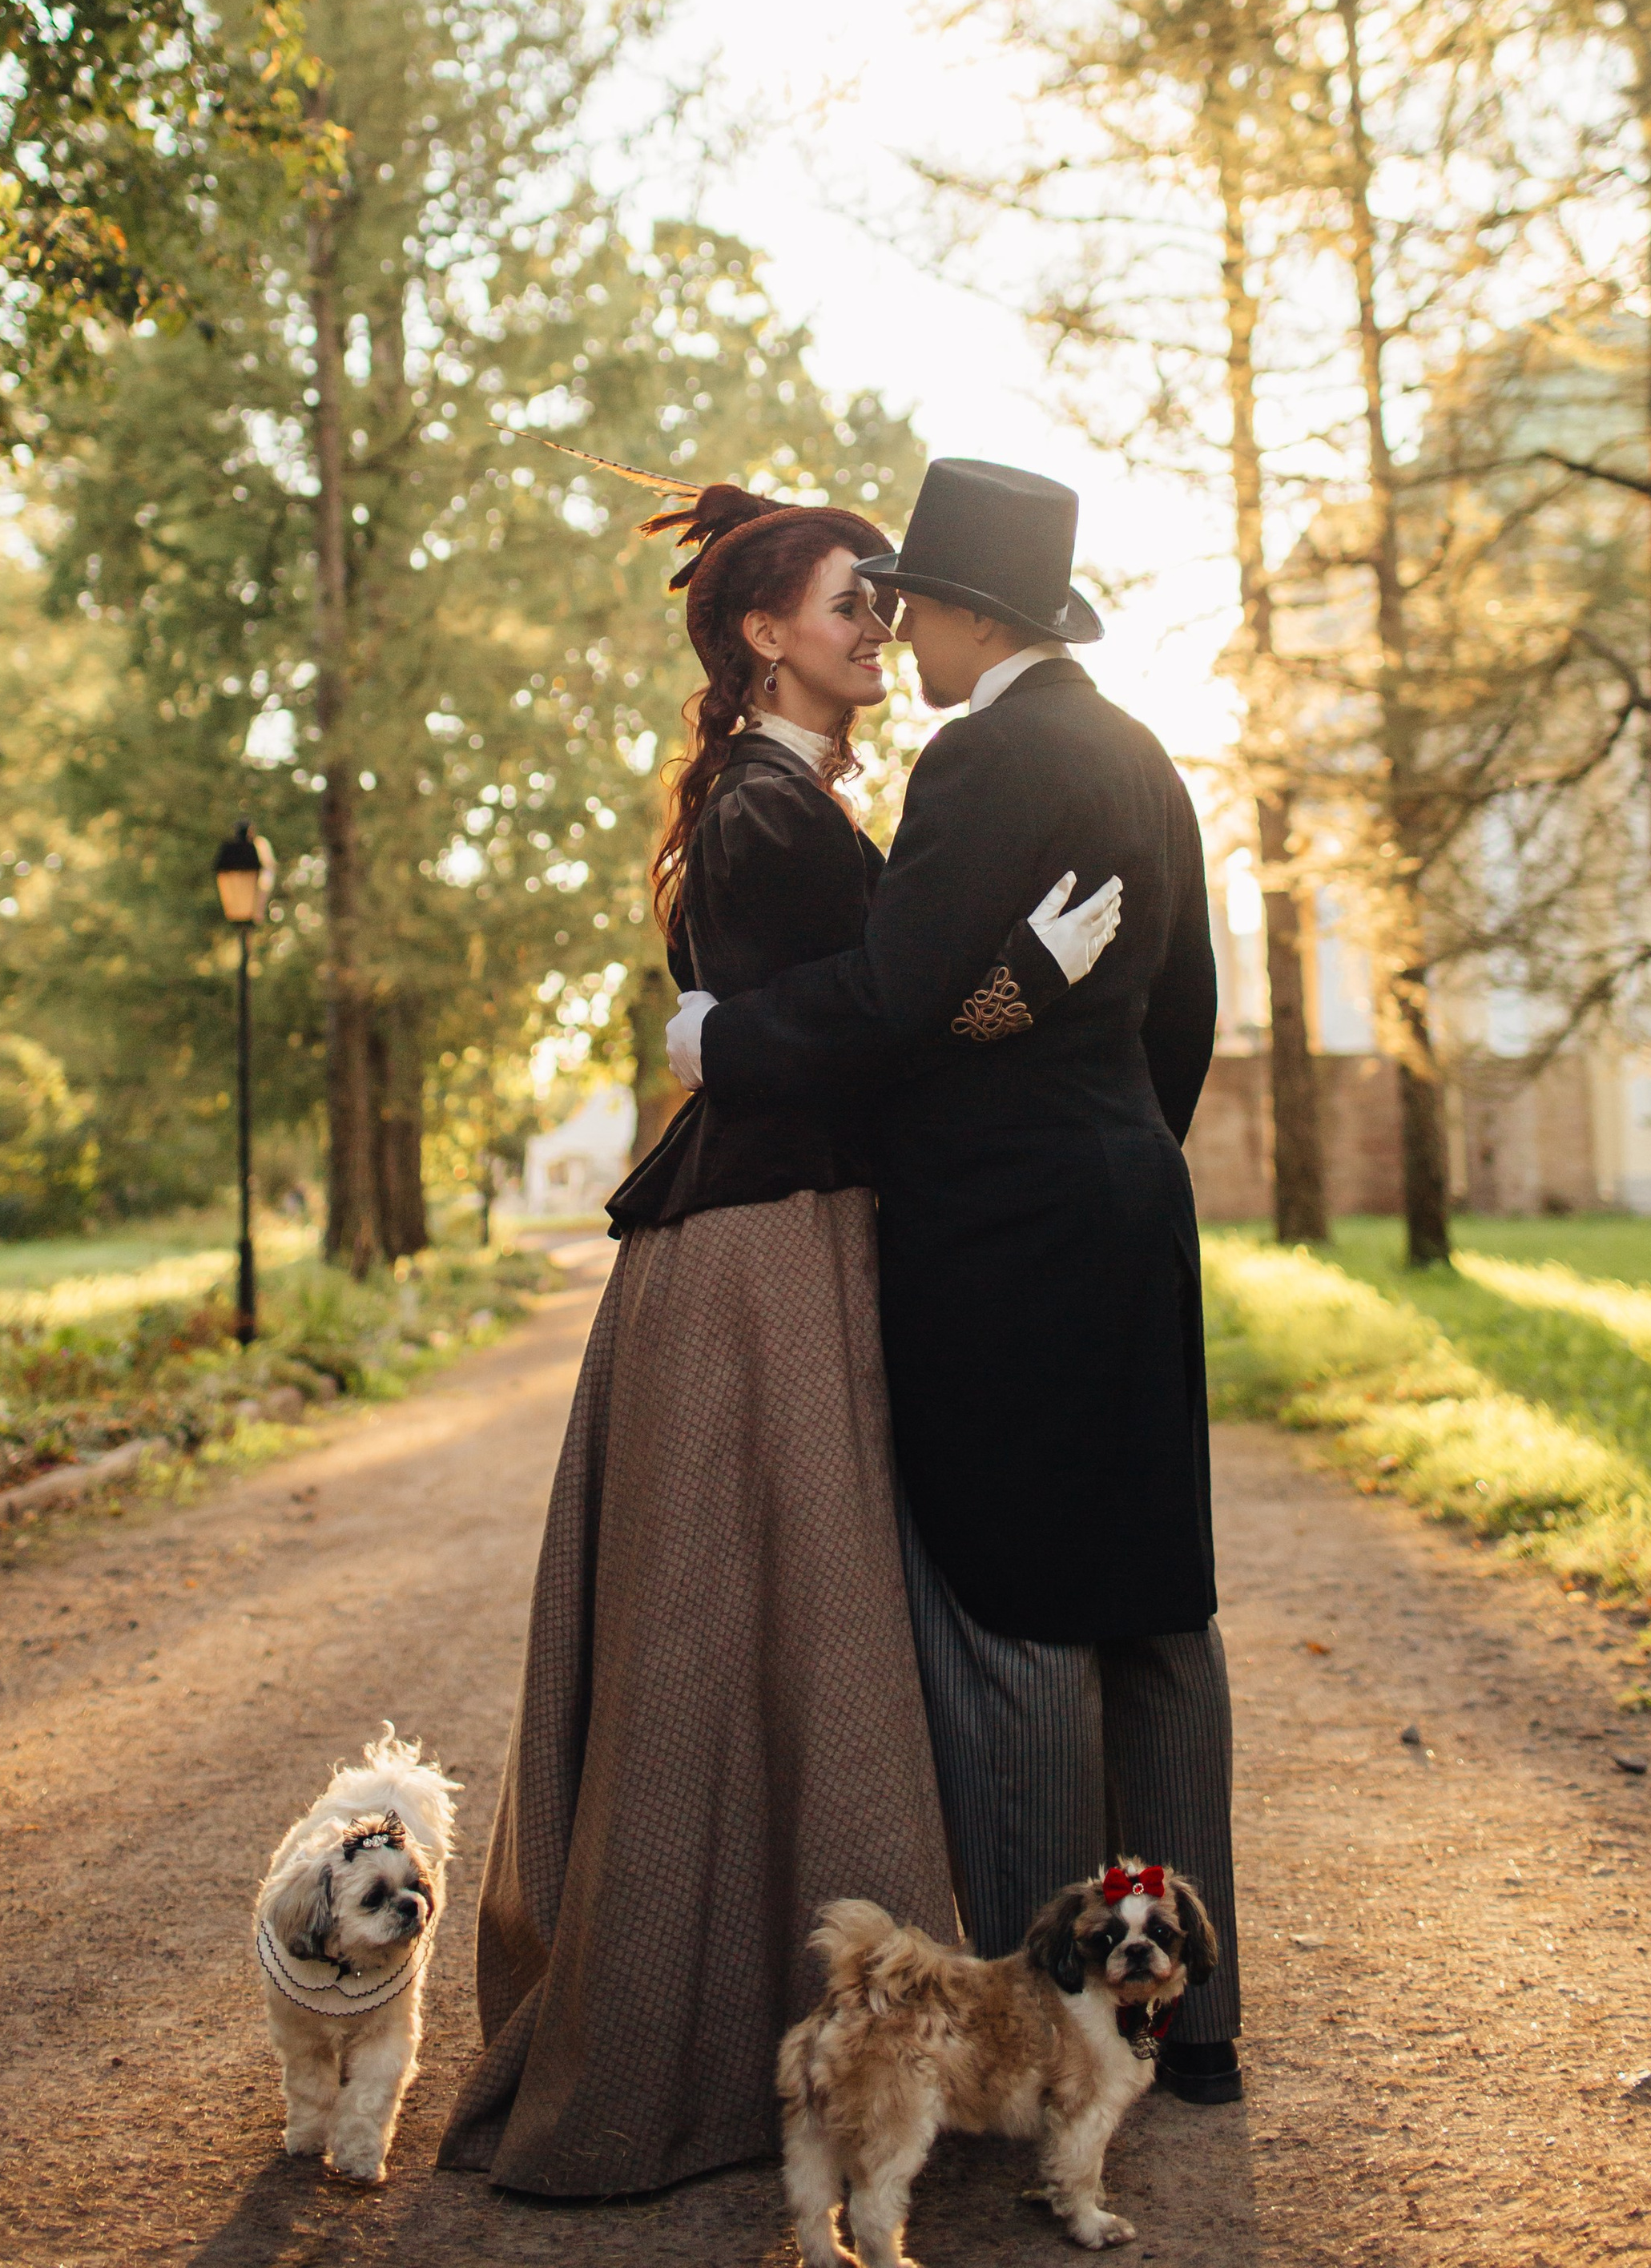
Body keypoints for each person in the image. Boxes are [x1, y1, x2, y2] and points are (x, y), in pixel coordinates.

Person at [438, 478, 1117, 2196]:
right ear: (761, 635)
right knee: (749, 1639)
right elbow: (871, 1041)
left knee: (782, 1641)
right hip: (753, 1258)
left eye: (888, 598)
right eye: (849, 600)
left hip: (782, 1235)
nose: (880, 621)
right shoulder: (764, 809)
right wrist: (1007, 997)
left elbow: (840, 1021)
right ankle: (726, 2032)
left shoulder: (784, 796)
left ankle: (808, 2018)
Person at [673, 456, 1244, 2105]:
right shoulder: (1142, 755)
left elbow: (894, 998)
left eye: (902, 595)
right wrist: (1112, 1149)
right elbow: (1183, 1013)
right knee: (1156, 1619)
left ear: (953, 609)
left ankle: (1049, 2046)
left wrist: (725, 1041)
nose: (891, 623)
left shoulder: (981, 761)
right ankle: (1193, 2030)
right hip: (1135, 1211)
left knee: (1011, 1622)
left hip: (999, 1247)